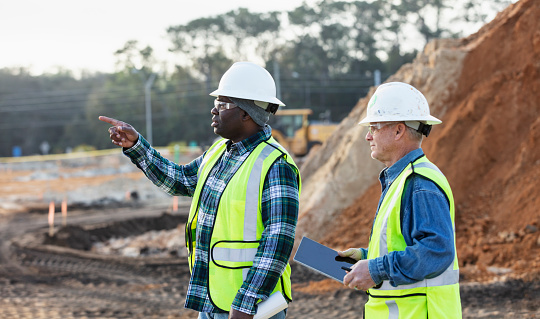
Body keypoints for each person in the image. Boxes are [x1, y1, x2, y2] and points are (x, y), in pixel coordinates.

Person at [99, 62, 300, 319]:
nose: (214, 109)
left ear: (247, 113)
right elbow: (179, 180)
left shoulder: (276, 165)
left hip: (251, 310)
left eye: (224, 103)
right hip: (212, 302)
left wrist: (245, 303)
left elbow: (278, 240)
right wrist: (137, 145)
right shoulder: (218, 151)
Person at [337, 82, 462, 318]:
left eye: (374, 127)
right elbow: (404, 246)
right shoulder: (404, 179)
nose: (367, 136)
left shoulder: (419, 184)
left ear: (398, 131)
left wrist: (375, 268)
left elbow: (436, 250)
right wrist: (366, 257)